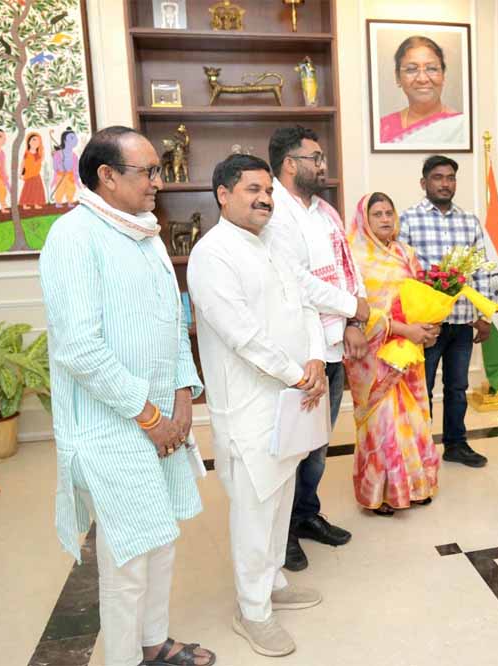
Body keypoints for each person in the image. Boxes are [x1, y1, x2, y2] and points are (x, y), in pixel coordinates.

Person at [39, 126, 215, 666]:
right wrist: (150, 416)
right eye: (148, 171)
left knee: (160, 538)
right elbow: (79, 348)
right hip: (111, 428)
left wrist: (182, 400)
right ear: (107, 176)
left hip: (162, 421)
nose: (158, 181)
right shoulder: (74, 237)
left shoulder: (148, 235)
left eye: (158, 170)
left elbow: (174, 321)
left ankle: (153, 642)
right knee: (128, 556)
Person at [188, 154, 327, 657]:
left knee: (281, 495)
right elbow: (242, 334)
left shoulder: (272, 243)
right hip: (248, 406)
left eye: (268, 190)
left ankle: (272, 583)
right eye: (253, 189)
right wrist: (297, 373)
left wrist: (315, 357)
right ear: (223, 194)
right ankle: (252, 611)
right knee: (253, 507)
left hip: (292, 396)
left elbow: (305, 304)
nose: (265, 198)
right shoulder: (212, 255)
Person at [267, 125, 370, 571]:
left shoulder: (324, 211)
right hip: (298, 350)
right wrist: (350, 307)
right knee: (293, 447)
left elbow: (350, 269)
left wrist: (353, 318)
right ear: (290, 164)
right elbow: (298, 282)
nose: (323, 166)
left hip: (331, 343)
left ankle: (306, 515)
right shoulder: (275, 212)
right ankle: (283, 533)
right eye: (316, 158)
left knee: (319, 444)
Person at [344, 192, 440, 516]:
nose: (385, 219)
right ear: (364, 220)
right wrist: (402, 329)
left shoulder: (406, 253)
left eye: (389, 213)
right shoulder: (354, 256)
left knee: (413, 418)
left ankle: (416, 486)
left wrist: (426, 326)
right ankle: (382, 493)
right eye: (377, 214)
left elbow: (419, 298)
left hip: (409, 351)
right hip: (372, 356)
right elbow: (356, 311)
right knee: (383, 423)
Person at [399, 155, 497, 468]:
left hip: (462, 321)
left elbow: (481, 269)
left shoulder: (469, 221)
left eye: (450, 177)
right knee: (422, 387)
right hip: (426, 326)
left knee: (457, 388)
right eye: (438, 177)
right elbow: (401, 272)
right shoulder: (408, 220)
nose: (445, 183)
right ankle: (421, 446)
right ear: (423, 182)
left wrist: (484, 316)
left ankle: (456, 444)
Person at [379, 36, 466, 146]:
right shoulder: (382, 129)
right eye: (411, 69)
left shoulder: (462, 125)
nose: (422, 79)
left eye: (432, 69)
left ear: (443, 75)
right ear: (398, 77)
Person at [51, 128, 80, 207]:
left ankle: (70, 201)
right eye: (72, 137)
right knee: (60, 188)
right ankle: (58, 202)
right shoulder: (58, 154)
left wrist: (76, 177)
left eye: (75, 137)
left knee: (71, 189)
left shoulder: (74, 156)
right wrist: (59, 166)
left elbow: (75, 168)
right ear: (64, 140)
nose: (75, 140)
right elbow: (55, 166)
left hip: (70, 175)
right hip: (61, 175)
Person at [19, 132, 46, 210]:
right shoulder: (27, 153)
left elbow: (41, 160)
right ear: (29, 141)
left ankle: (36, 203)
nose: (36, 142)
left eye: (38, 141)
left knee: (37, 190)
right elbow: (23, 163)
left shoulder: (39, 154)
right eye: (34, 140)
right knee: (27, 190)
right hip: (29, 175)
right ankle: (24, 204)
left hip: (36, 174)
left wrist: (42, 151)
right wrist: (21, 173)